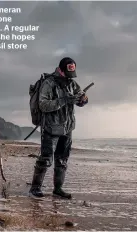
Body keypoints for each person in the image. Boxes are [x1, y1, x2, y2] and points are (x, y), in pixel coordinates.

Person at [29, 57, 88, 199]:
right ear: (60, 70)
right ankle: (35, 188)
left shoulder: (72, 83)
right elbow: (43, 105)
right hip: (51, 128)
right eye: (67, 73)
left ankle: (58, 189)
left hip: (67, 128)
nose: (70, 77)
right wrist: (65, 100)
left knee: (62, 160)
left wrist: (83, 100)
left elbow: (80, 99)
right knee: (46, 159)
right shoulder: (48, 83)